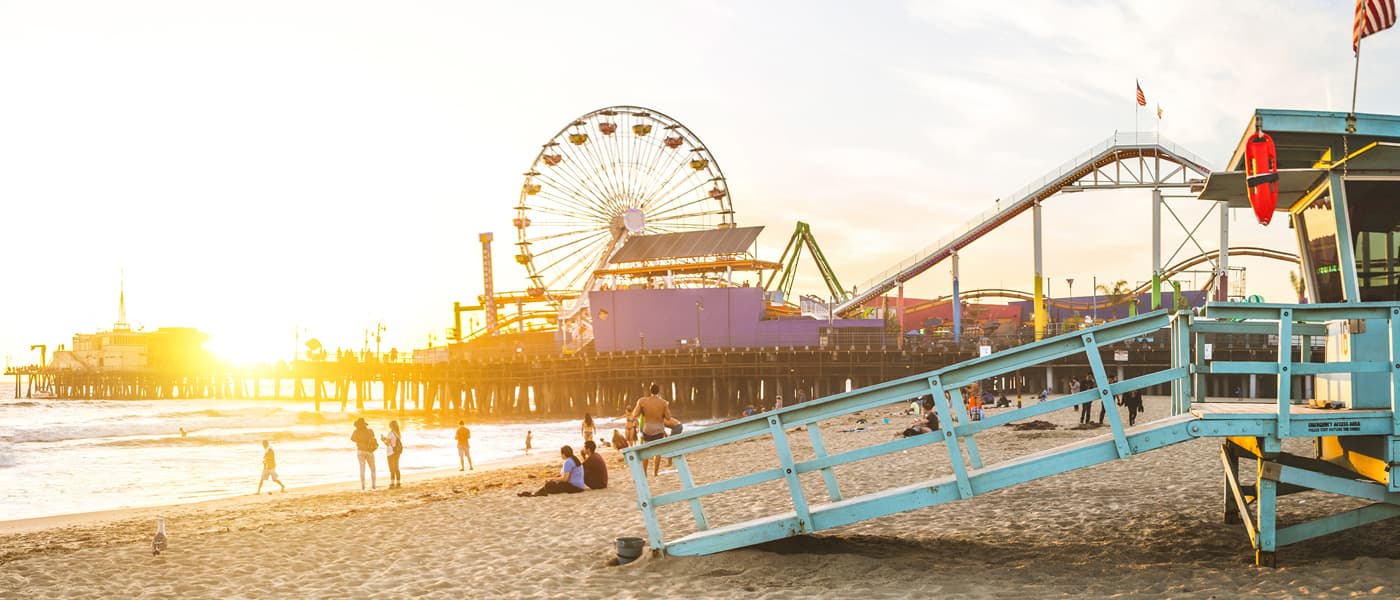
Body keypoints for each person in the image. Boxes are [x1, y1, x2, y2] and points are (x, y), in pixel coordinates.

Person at [629, 382, 674, 477]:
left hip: (647, 429)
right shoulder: (663, 402)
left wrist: (641, 409)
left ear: (650, 391)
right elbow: (669, 417)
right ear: (659, 391)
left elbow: (634, 414)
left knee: (646, 451)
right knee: (657, 452)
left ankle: (644, 472)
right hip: (658, 429)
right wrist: (664, 408)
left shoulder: (642, 401)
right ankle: (655, 472)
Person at [519, 446, 586, 496]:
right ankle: (536, 493)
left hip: (574, 487)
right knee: (551, 483)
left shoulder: (568, 461)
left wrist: (552, 479)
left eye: (561, 453)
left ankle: (535, 493)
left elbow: (565, 479)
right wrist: (555, 479)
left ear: (564, 454)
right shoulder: (574, 459)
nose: (561, 455)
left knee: (549, 485)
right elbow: (565, 477)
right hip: (579, 487)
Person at [351, 418, 378, 491]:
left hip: (360, 451)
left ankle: (363, 488)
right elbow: (373, 437)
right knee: (373, 469)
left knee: (362, 469)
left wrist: (359, 440)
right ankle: (374, 487)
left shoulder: (356, 432)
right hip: (369, 451)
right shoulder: (370, 431)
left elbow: (352, 439)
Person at [381, 420, 403, 489]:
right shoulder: (398, 433)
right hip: (397, 452)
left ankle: (392, 483)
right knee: (396, 467)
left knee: (391, 468)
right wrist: (385, 439)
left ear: (391, 426)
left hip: (391, 452)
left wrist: (382, 439)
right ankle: (398, 483)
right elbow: (393, 441)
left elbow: (387, 444)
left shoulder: (390, 433)